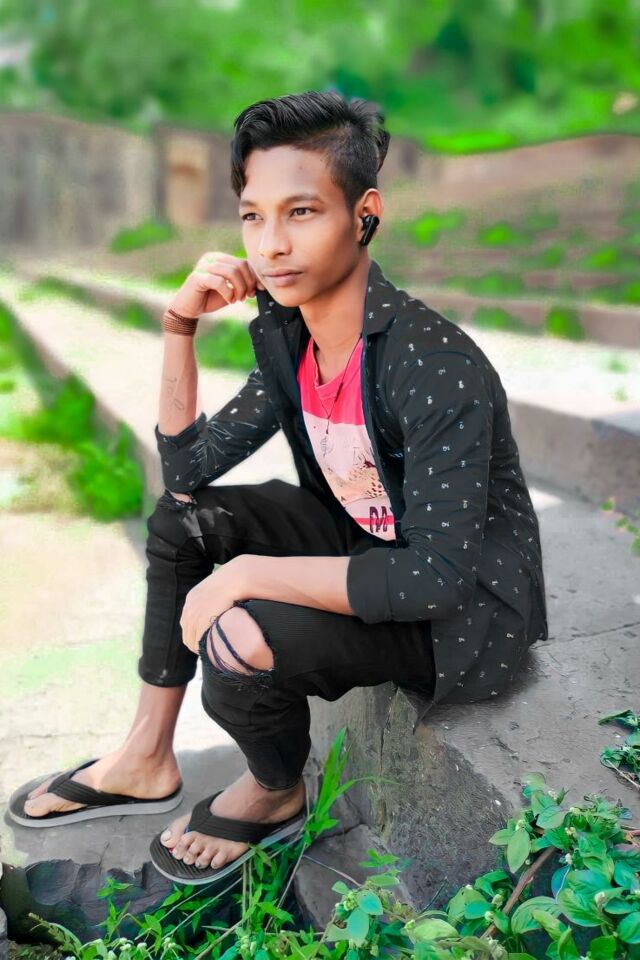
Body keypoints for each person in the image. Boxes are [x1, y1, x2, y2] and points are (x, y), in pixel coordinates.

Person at [8, 90, 548, 884]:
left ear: (365, 215)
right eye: (253, 217)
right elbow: (187, 471)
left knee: (239, 637)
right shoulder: (293, 340)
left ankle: (274, 789)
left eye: (301, 212)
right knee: (184, 521)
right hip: (365, 539)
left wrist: (249, 575)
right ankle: (146, 754)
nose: (271, 245)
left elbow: (434, 578)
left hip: (463, 612)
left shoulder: (432, 365)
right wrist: (180, 327)